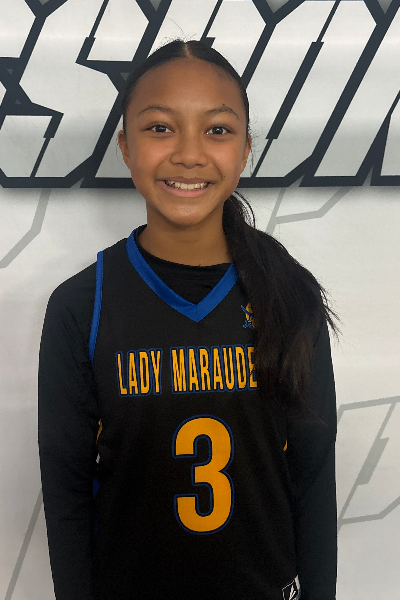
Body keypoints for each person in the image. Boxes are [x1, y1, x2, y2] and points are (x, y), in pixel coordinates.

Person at [38, 39, 338, 600]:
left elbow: (314, 478)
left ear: (245, 149)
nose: (189, 154)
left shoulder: (289, 296)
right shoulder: (82, 306)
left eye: (217, 130)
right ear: (125, 147)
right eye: (160, 128)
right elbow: (67, 494)